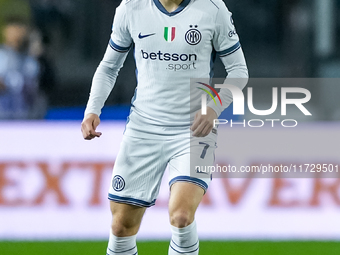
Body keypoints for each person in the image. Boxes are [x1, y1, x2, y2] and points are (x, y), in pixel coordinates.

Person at [81, 0, 248, 254]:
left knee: (181, 216)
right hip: (143, 128)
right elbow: (109, 66)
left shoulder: (213, 10)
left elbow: (239, 71)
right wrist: (92, 109)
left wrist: (214, 107)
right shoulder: (131, 8)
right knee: (120, 226)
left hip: (193, 131)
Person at [0, 17, 40, 119]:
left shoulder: (30, 61)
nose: (16, 33)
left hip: (24, 119)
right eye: (13, 29)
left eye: (20, 29)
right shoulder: (2, 56)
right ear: (5, 32)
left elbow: (34, 93)